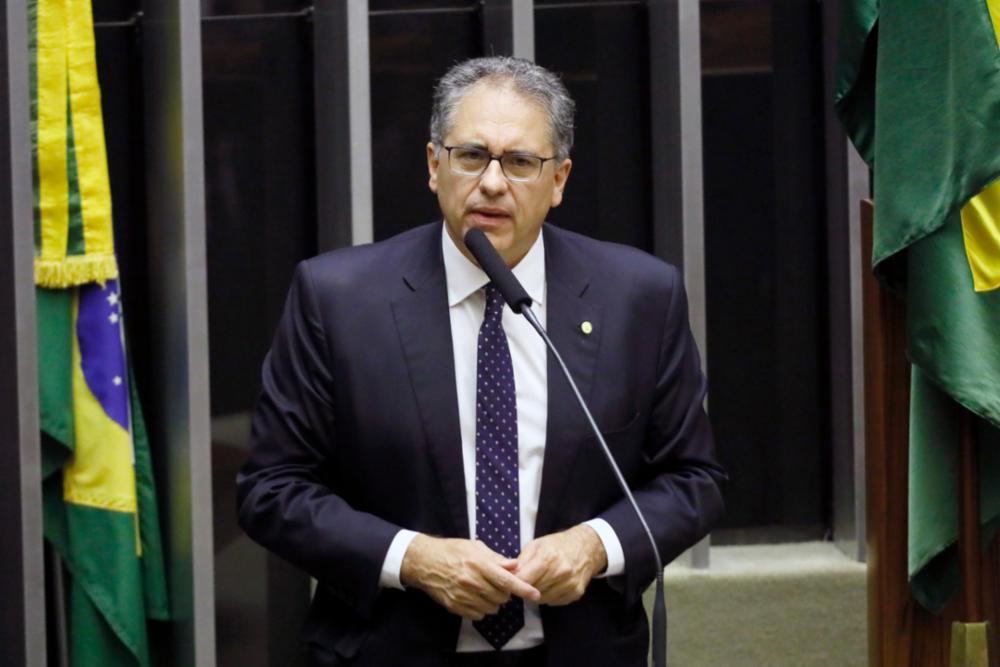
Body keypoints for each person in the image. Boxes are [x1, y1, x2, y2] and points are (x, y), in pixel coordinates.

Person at [237, 56, 726, 667]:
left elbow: (694, 481)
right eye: (471, 156)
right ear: (434, 166)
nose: (492, 183)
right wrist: (412, 558)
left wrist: (596, 546)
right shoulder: (337, 299)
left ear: (560, 180)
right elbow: (271, 490)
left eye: (520, 162)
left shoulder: (639, 297)